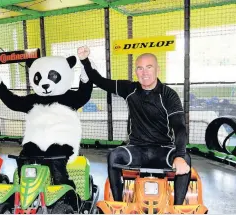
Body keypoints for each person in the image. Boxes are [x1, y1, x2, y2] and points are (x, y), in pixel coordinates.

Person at [77, 46, 191, 205]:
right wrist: (85, 61)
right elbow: (100, 81)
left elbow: (179, 127)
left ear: (158, 70)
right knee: (114, 156)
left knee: (185, 158)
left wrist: (179, 156)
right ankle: (118, 205)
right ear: (135, 72)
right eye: (140, 68)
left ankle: (178, 207)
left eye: (149, 67)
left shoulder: (168, 95)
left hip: (163, 151)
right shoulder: (129, 89)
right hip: (136, 150)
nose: (144, 72)